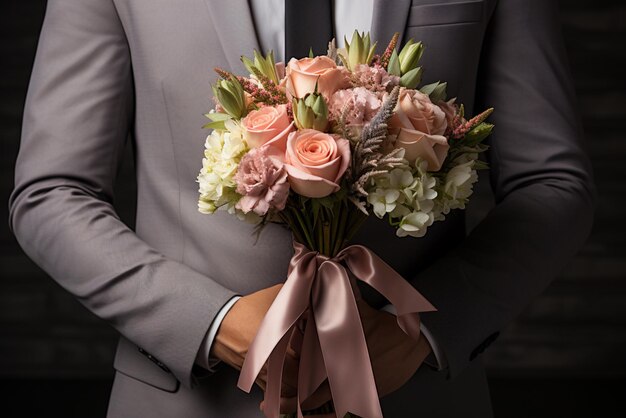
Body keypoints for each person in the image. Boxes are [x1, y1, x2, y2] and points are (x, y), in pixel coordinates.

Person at [9, 0, 594, 417]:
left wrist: (422, 332)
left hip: (413, 394)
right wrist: (212, 323)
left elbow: (553, 183)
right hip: (192, 399)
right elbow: (52, 193)